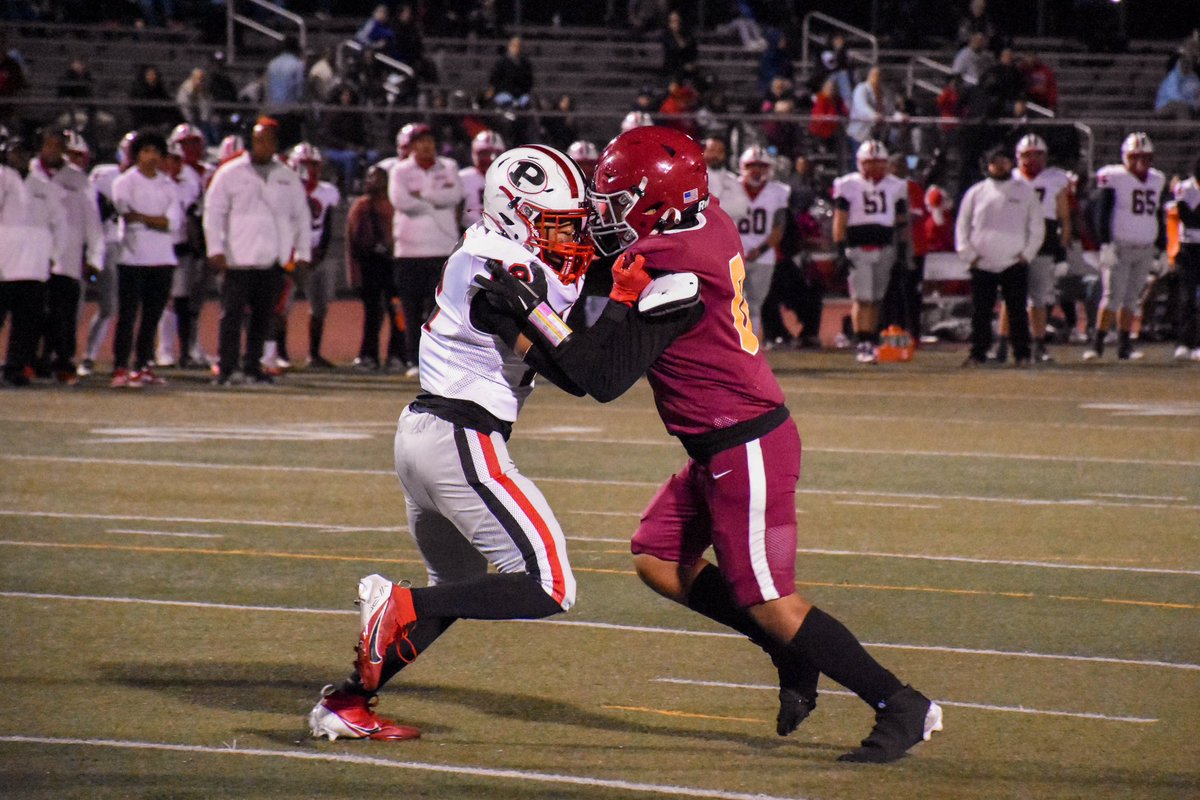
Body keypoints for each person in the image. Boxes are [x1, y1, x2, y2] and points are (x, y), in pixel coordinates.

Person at [474, 126, 942, 763]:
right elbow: (620, 264)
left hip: (743, 443)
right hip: (721, 443)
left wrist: (530, 314)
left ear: (659, 200)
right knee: (657, 559)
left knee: (773, 601)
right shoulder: (709, 217)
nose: (606, 212)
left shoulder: (675, 264)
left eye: (617, 198)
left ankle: (900, 703)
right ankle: (785, 649)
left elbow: (600, 376)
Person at [307, 144, 596, 741]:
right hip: (463, 439)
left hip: (424, 435)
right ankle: (398, 605)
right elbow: (575, 368)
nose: (572, 239)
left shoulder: (487, 248)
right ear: (515, 214)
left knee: (457, 587)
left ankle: (349, 702)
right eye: (559, 225)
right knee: (550, 583)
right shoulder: (505, 269)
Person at [203, 117, 311, 385]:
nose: (262, 145)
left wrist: (303, 254)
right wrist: (215, 248)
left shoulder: (287, 177)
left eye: (268, 140)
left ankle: (253, 366)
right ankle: (227, 368)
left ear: (276, 144)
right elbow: (213, 212)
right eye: (258, 139)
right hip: (237, 258)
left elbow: (301, 217)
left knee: (263, 319)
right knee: (231, 317)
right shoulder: (230, 172)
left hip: (272, 258)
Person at [955, 145, 1043, 366]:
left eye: (1004, 161)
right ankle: (978, 353)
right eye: (995, 161)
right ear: (988, 164)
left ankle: (1022, 354)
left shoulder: (1025, 192)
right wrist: (969, 255)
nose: (1000, 165)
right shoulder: (976, 192)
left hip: (1014, 262)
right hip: (982, 263)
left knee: (1017, 312)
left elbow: (1037, 227)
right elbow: (962, 226)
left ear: (1010, 163)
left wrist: (1026, 254)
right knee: (981, 313)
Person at [1084, 133, 1167, 361]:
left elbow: (1158, 214)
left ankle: (1124, 346)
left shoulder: (1157, 179)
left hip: (1145, 247)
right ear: (1124, 157)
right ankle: (1097, 344)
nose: (1140, 163)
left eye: (1145, 157)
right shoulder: (1114, 177)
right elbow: (1100, 210)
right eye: (1134, 157)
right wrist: (1104, 243)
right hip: (1119, 246)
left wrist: (1161, 248)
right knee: (1112, 297)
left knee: (1131, 299)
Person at [388, 124, 462, 376]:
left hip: (443, 249)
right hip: (408, 251)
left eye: (429, 140)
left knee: (440, 310)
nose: (426, 145)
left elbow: (454, 196)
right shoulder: (400, 170)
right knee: (410, 310)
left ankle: (438, 361)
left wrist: (424, 195)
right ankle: (414, 361)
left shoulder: (449, 166)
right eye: (420, 141)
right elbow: (401, 202)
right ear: (412, 145)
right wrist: (435, 200)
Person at [109, 131, 182, 387]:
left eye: (156, 152)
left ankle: (143, 365)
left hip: (162, 259)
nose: (151, 157)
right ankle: (120, 367)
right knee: (128, 315)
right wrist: (154, 220)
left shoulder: (168, 185)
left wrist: (144, 218)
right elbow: (127, 215)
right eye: (146, 151)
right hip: (132, 258)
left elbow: (173, 222)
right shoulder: (124, 182)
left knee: (152, 316)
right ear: (136, 154)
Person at [32, 129, 103, 385]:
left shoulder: (78, 180)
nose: (52, 151)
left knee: (64, 315)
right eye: (48, 145)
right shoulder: (28, 175)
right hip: (31, 259)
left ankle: (63, 362)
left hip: (68, 259)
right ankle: (31, 361)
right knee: (33, 314)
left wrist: (95, 258)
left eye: (57, 146)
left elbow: (93, 223)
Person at [832, 140, 910, 363]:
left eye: (879, 162)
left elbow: (902, 222)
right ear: (860, 163)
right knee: (862, 298)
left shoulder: (896, 185)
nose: (875, 167)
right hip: (858, 246)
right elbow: (840, 219)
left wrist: (903, 251)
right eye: (870, 162)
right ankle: (863, 343)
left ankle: (871, 340)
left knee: (876, 299)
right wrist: (840, 248)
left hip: (885, 247)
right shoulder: (848, 184)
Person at [0, 130, 65, 388]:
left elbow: (59, 223)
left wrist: (54, 256)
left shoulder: (43, 186)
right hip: (4, 264)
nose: (20, 157)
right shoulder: (2, 179)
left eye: (25, 152)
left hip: (35, 265)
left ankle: (15, 368)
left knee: (26, 323)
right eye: (15, 152)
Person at [1003, 134, 1071, 363]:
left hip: (1044, 243)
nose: (1032, 160)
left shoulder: (1055, 179)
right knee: (1010, 298)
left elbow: (1064, 218)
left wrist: (1062, 252)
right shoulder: (1009, 179)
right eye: (1027, 155)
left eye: (1037, 155)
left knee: (1039, 298)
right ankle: (1003, 344)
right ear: (1018, 157)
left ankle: (1039, 344)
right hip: (1014, 243)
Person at [78, 131, 136, 377]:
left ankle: (90, 356)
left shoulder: (145, 179)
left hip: (118, 247)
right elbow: (88, 207)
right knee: (74, 305)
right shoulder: (104, 174)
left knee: (110, 307)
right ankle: (59, 354)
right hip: (90, 244)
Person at [155, 123, 209, 370]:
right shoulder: (152, 180)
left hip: (183, 246)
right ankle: (163, 349)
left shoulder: (192, 178)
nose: (175, 164)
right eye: (171, 158)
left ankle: (188, 349)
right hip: (157, 246)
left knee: (185, 301)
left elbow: (194, 215)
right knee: (163, 301)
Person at [726, 145, 790, 341]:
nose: (756, 170)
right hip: (733, 255)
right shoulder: (730, 186)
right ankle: (732, 344)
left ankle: (750, 346)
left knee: (754, 305)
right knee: (730, 303)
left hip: (763, 256)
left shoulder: (778, 191)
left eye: (761, 166)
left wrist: (760, 250)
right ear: (742, 166)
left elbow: (779, 228)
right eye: (752, 165)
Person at [346, 165, 403, 371]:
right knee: (372, 313)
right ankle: (368, 355)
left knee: (396, 311)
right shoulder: (361, 206)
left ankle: (397, 355)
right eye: (369, 177)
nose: (372, 181)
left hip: (392, 264)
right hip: (370, 266)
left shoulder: (394, 204)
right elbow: (354, 242)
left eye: (377, 177)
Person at [292, 142, 341, 369]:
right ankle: (278, 352)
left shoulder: (328, 192)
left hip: (319, 255)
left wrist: (320, 253)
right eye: (305, 165)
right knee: (281, 307)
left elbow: (330, 225)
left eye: (313, 165)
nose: (310, 170)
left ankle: (314, 354)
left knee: (320, 307)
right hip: (292, 255)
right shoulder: (287, 189)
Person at [1172, 156, 1200, 360]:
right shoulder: (1186, 188)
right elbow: (1187, 219)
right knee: (1187, 298)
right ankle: (1183, 341)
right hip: (1189, 248)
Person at [458, 129, 504, 230]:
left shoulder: (507, 179)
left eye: (495, 155)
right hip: (469, 232)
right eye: (485, 154)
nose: (490, 159)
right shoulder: (463, 177)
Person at [487, 36, 534, 109]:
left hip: (520, 94)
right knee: (505, 101)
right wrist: (492, 90)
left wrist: (525, 92)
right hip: (504, 93)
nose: (516, 49)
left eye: (518, 46)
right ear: (509, 47)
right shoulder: (501, 62)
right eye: (514, 46)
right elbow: (494, 78)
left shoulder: (525, 63)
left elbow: (529, 80)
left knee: (527, 102)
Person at [847, 67, 885, 151]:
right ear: (869, 76)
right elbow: (861, 106)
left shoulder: (881, 92)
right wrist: (874, 115)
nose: (877, 78)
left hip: (874, 134)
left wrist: (898, 116)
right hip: (859, 133)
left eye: (879, 76)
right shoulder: (861, 88)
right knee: (859, 161)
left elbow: (889, 110)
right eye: (875, 75)